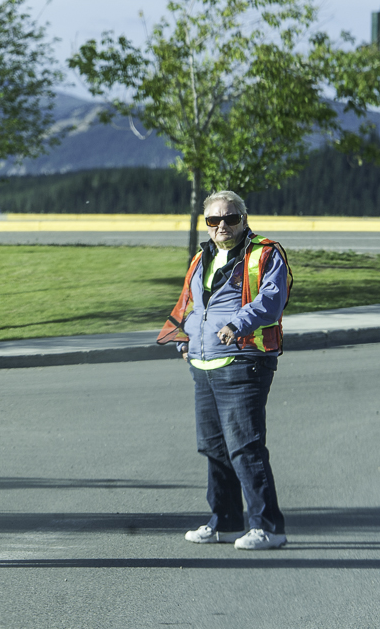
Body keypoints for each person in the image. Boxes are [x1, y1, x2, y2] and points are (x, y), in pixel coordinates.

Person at [157, 191, 293, 550]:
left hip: (244, 362)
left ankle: (268, 527)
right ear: (207, 224)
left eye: (231, 218)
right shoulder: (201, 257)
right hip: (203, 365)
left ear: (244, 220)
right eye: (214, 220)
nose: (222, 226)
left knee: (245, 448)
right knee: (214, 448)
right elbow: (189, 304)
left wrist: (238, 323)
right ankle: (226, 521)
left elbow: (271, 299)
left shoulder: (265, 253)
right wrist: (183, 341)